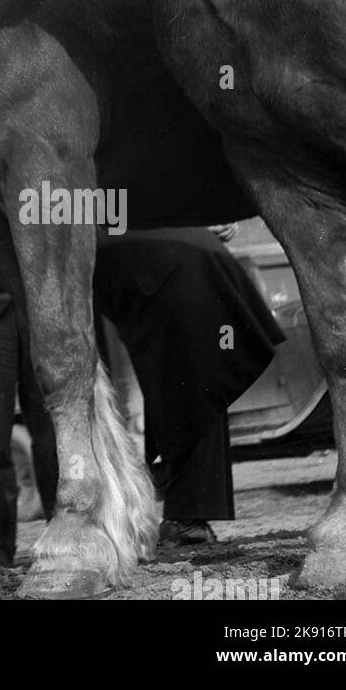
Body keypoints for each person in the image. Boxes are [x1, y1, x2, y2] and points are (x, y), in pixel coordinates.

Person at [93, 224, 284, 544]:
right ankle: (184, 519)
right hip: (172, 262)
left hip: (163, 260)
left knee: (191, 381)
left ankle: (181, 514)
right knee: (200, 383)